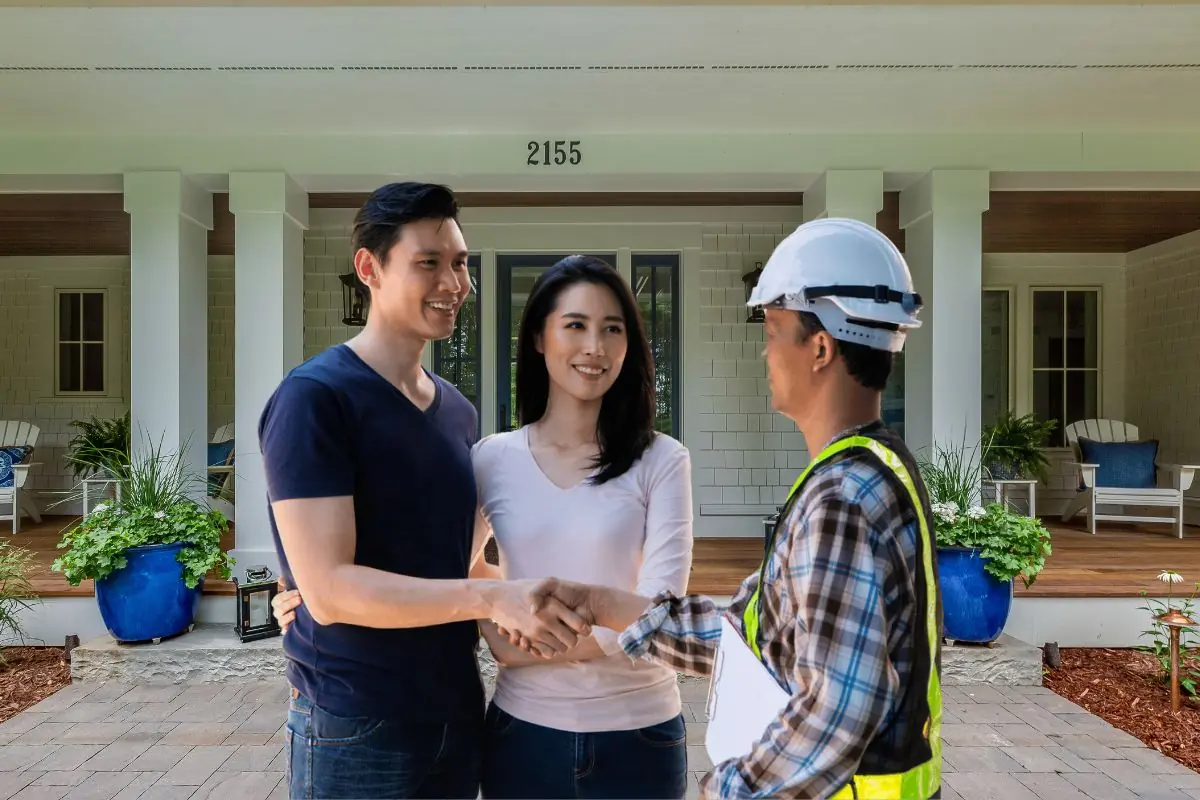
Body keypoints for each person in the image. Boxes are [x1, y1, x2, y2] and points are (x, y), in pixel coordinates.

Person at [517, 218, 944, 799]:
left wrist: (727, 790)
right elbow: (760, 642)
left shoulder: (840, 499)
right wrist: (604, 604)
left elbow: (837, 707)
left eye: (772, 332)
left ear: (819, 348)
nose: (765, 353)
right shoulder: (875, 468)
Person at [274, 254, 695, 800]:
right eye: (575, 325)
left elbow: (661, 611)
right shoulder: (493, 458)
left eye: (612, 329)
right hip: (525, 735)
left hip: (640, 735)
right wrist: (312, 592)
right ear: (540, 338)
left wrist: (518, 641)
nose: (595, 346)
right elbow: (447, 563)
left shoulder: (662, 459)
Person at [257, 182, 590, 800]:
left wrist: (535, 621)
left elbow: (460, 559)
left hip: (456, 711)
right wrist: (493, 601)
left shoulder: (457, 412)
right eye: (429, 263)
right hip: (357, 721)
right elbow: (328, 592)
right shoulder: (315, 399)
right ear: (370, 269)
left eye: (460, 262)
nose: (454, 282)